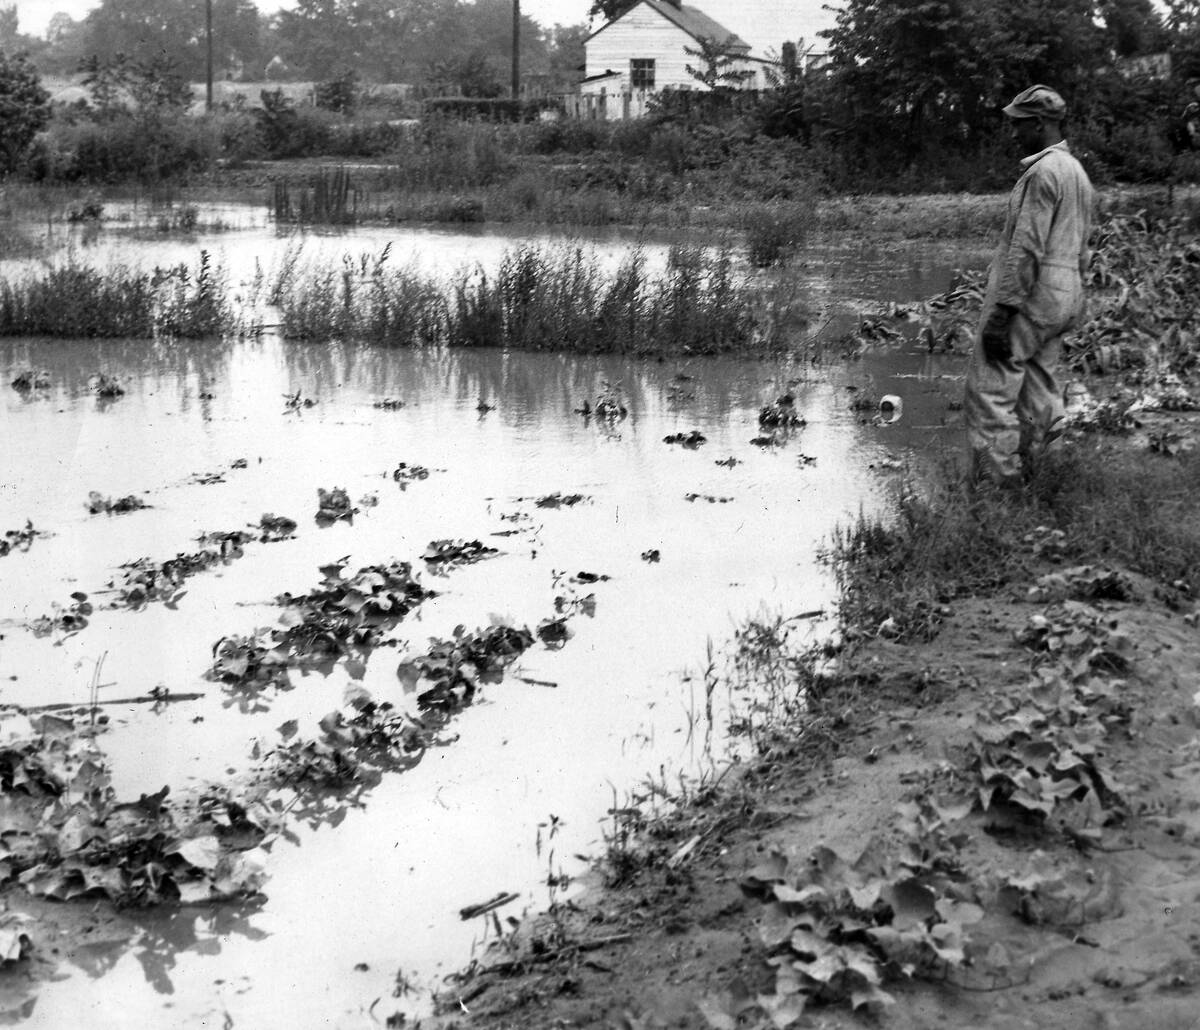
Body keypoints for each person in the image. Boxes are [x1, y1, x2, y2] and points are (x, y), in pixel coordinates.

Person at [964, 84, 1094, 485]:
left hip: (1034, 293)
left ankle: (996, 488)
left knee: (990, 389)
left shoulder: (1041, 172)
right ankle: (1050, 476)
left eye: (1018, 125)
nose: (1013, 133)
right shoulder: (1077, 172)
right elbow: (1085, 245)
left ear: (1039, 124)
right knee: (1040, 388)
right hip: (1066, 293)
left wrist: (1003, 310)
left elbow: (1026, 247)